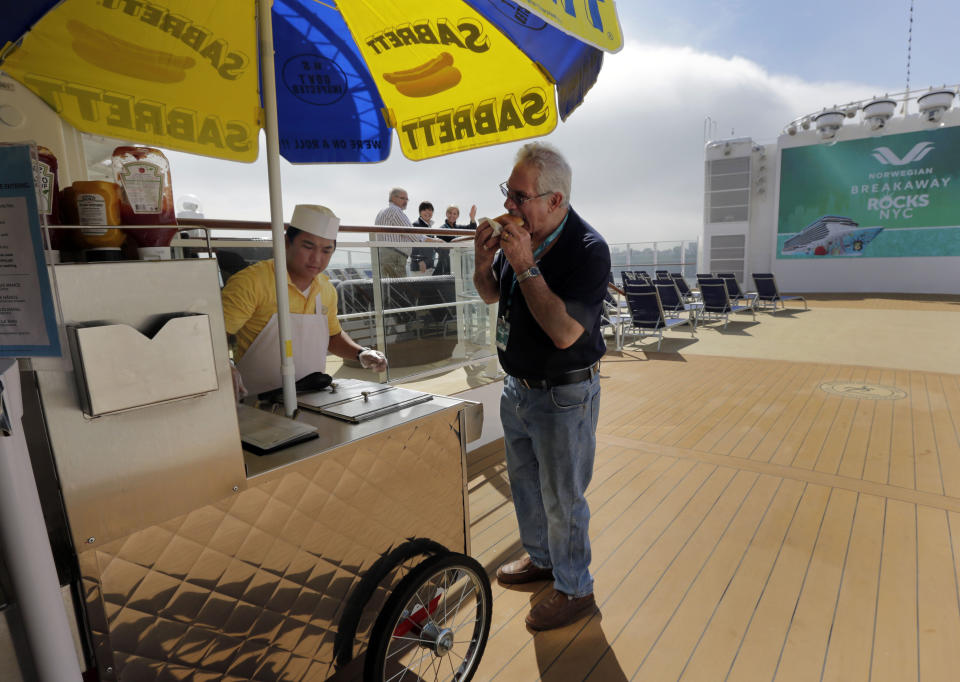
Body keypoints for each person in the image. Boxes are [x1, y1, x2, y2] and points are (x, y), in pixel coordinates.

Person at [473, 142, 610, 631]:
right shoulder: (521, 235)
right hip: (518, 388)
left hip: (563, 394)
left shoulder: (587, 250)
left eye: (519, 196)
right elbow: (493, 295)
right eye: (507, 193)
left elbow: (565, 332)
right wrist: (483, 263)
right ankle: (543, 560)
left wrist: (525, 262)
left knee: (563, 497)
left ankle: (576, 588)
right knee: (527, 487)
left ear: (555, 200)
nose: (509, 206)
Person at [222, 204, 387, 398]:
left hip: (313, 398)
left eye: (326, 251)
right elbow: (214, 338)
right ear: (286, 242)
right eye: (308, 247)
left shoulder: (326, 288)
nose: (316, 259)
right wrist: (225, 365)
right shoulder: (251, 283)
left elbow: (333, 336)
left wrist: (360, 353)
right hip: (257, 401)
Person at [373, 187, 431, 278]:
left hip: (385, 253)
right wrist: (435, 240)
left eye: (407, 199)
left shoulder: (382, 211)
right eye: (402, 198)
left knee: (388, 287)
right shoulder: (395, 211)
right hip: (394, 255)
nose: (406, 201)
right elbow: (413, 235)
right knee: (400, 287)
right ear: (393, 198)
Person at [434, 204, 477, 275]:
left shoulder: (458, 227)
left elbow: (472, 230)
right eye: (450, 213)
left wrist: (472, 218)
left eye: (454, 214)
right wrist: (464, 240)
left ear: (457, 216)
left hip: (458, 264)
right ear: (446, 214)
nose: (452, 215)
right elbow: (452, 239)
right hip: (446, 267)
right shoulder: (442, 229)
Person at [410, 201, 436, 274]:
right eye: (424, 210)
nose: (427, 212)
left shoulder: (429, 226)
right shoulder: (416, 225)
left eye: (430, 210)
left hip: (429, 266)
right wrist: (420, 261)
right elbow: (411, 245)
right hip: (420, 267)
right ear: (420, 212)